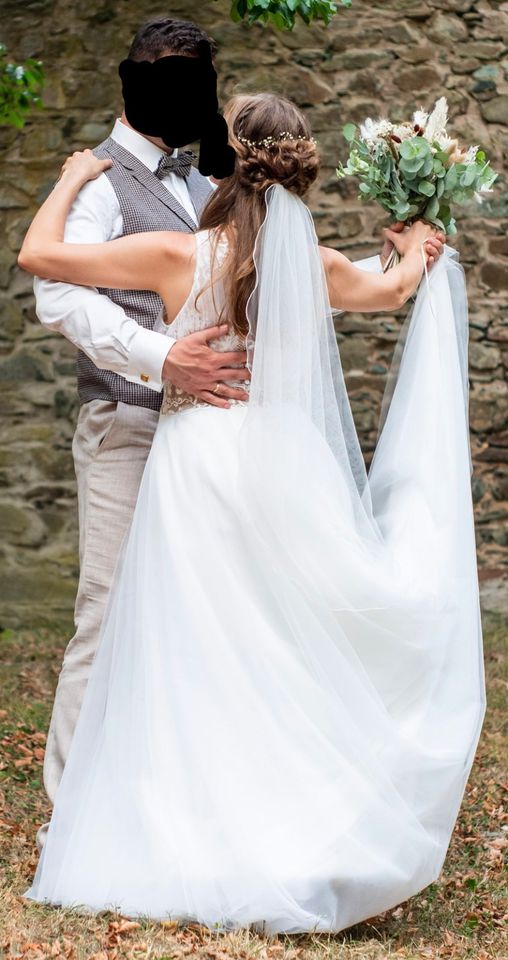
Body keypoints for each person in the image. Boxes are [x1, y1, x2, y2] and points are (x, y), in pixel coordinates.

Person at [18, 92, 485, 934]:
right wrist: (416, 240)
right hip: (284, 462)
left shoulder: (173, 254)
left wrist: (74, 176)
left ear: (229, 163)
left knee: (200, 644)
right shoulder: (319, 265)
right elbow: (393, 292)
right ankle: (296, 825)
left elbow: (39, 255)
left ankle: (196, 825)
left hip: (198, 462)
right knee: (281, 641)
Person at [32, 16, 247, 851]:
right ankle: (70, 814)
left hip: (202, 438)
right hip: (126, 421)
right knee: (109, 608)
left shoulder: (200, 188)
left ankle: (161, 796)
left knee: (189, 611)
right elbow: (58, 298)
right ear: (143, 80)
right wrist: (163, 359)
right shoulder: (92, 179)